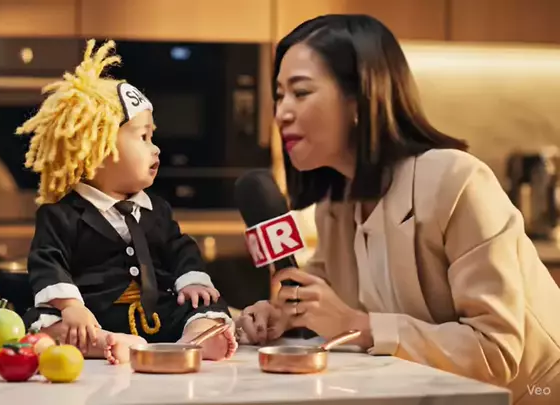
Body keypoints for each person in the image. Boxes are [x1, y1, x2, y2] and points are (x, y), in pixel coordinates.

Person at [235, 14, 560, 405]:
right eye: (279, 95)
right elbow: (325, 308)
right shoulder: (335, 206)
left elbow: (495, 352)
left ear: (360, 99)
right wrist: (283, 318)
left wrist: (359, 325)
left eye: (300, 92)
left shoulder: (456, 181)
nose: (281, 113)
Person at [17, 39, 237, 365]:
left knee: (207, 305)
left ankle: (196, 337)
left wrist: (191, 281)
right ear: (99, 148)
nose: (155, 148)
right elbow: (47, 262)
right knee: (44, 322)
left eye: (152, 137)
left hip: (157, 313)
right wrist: (71, 307)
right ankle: (106, 342)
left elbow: (180, 249)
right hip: (93, 314)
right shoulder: (60, 214)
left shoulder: (156, 210)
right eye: (143, 137)